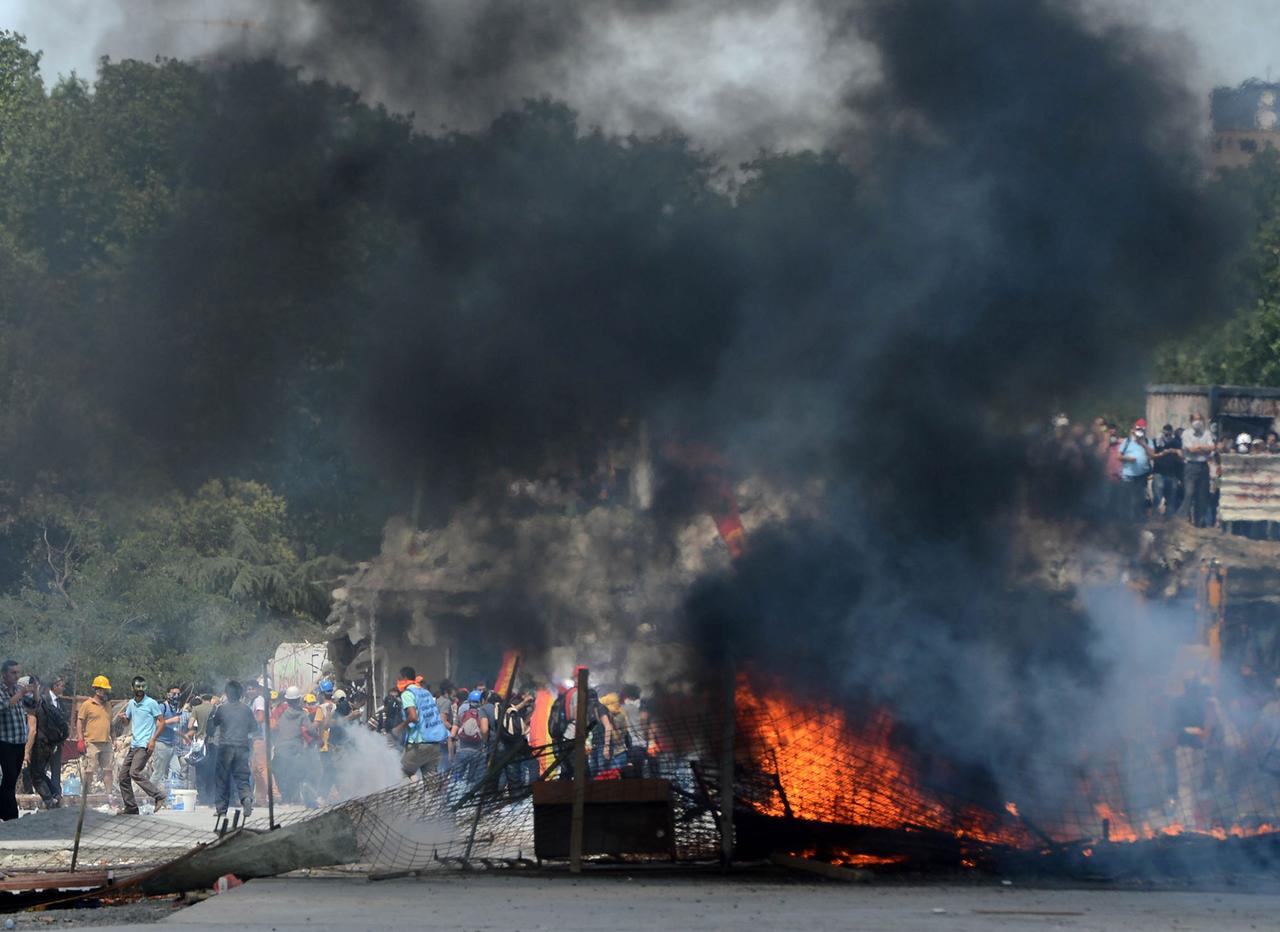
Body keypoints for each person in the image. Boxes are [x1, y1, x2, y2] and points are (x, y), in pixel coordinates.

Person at [115, 676, 167, 814]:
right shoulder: (131, 704)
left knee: (134, 772)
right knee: (123, 776)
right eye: (137, 687)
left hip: (144, 745)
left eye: (142, 687)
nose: (140, 690)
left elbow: (162, 722)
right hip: (134, 745)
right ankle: (131, 807)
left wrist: (153, 739)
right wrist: (123, 719)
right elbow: (127, 722)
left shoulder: (151, 703)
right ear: (132, 688)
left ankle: (159, 796)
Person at [207, 680, 257, 820]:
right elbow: (254, 728)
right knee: (242, 777)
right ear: (241, 694)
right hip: (242, 747)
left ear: (227, 694)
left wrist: (212, 712)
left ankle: (221, 810)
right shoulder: (246, 709)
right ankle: (246, 797)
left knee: (222, 779)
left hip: (225, 747)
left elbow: (211, 728)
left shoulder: (222, 709)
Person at [395, 667, 449, 780]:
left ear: (404, 678)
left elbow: (413, 717)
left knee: (402, 774)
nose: (398, 680)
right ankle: (431, 797)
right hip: (435, 744)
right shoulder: (426, 693)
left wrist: (400, 727)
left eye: (399, 678)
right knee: (431, 781)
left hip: (419, 744)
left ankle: (414, 793)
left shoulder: (408, 694)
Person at [272, 686, 317, 805]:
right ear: (298, 700)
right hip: (295, 749)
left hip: (280, 749)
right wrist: (317, 737)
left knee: (280, 772)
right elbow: (311, 729)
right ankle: (293, 798)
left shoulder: (280, 711)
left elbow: (273, 727)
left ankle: (286, 798)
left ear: (287, 700)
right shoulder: (302, 714)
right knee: (298, 772)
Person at [0, 660, 34, 820]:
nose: (16, 676)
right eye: (13, 673)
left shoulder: (17, 690)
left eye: (18, 673)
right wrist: (19, 694)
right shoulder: (2, 690)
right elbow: (4, 706)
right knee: (9, 776)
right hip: (6, 742)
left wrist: (35, 690)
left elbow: (33, 704)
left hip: (19, 742)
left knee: (11, 779)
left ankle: (5, 811)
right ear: (4, 674)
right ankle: (10, 815)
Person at [29, 675, 70, 808]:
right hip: (44, 743)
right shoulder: (44, 701)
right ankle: (51, 797)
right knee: (39, 771)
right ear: (55, 685)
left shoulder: (59, 702)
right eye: (61, 685)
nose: (63, 688)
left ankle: (55, 797)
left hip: (54, 743)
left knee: (54, 770)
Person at [76, 675, 116, 802]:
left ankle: (109, 795)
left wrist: (114, 739)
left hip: (106, 742)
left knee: (108, 770)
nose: (106, 693)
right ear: (98, 690)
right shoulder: (87, 705)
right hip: (91, 743)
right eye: (104, 690)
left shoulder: (108, 705)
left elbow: (111, 723)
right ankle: (86, 795)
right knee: (90, 770)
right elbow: (79, 722)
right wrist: (80, 740)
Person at [150, 685, 186, 788]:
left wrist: (184, 736)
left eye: (178, 694)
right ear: (168, 695)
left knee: (176, 769)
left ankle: (170, 793)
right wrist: (172, 720)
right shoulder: (162, 707)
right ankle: (149, 793)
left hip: (171, 745)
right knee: (159, 772)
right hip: (161, 744)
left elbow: (172, 728)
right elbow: (156, 723)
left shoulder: (175, 709)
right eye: (173, 694)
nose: (176, 696)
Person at [452, 688, 490, 785]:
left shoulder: (462, 714)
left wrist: (451, 753)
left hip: (461, 750)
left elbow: (452, 734)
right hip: (477, 751)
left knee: (457, 779)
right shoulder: (482, 716)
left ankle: (455, 798)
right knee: (472, 781)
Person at [1183, 414, 1215, 528]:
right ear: (1191, 421)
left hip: (1203, 466)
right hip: (1191, 466)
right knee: (1189, 493)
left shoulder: (1207, 433)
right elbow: (1190, 449)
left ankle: (1199, 523)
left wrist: (1199, 448)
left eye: (1200, 419)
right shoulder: (1186, 433)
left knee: (1202, 496)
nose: (1198, 422)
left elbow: (1212, 447)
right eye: (1195, 419)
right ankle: (1184, 521)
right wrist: (1203, 448)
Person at [1118, 419, 1153, 519]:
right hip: (1128, 476)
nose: (1140, 431)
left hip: (1142, 476)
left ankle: (1139, 519)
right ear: (1133, 429)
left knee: (1141, 498)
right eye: (1138, 429)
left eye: (1142, 429)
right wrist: (1127, 458)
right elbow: (1118, 456)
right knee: (1127, 498)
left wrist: (1143, 444)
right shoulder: (1127, 441)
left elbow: (1152, 454)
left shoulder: (1147, 441)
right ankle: (1126, 519)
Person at [1151, 424, 1183, 517]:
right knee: (1158, 496)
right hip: (1159, 473)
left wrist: (1175, 451)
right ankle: (1155, 517)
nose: (1167, 435)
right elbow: (1152, 455)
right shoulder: (1156, 442)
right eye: (1166, 433)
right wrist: (1162, 453)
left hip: (1172, 474)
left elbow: (1181, 457)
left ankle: (1169, 519)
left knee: (1171, 498)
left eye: (1169, 433)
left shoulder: (1175, 442)